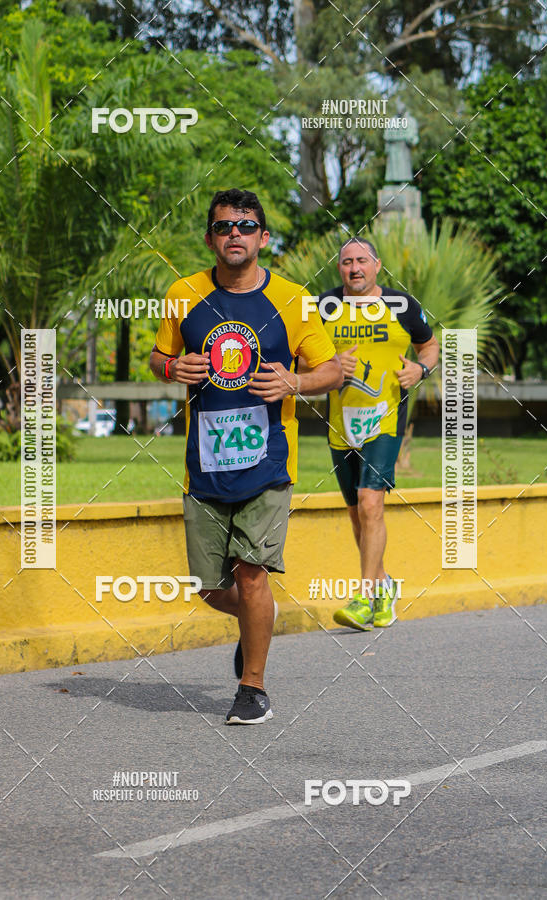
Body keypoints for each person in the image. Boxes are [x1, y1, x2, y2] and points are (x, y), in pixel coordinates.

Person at [150, 189, 342, 724]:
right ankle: (256, 624)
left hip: (268, 465)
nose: (234, 234)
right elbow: (158, 356)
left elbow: (330, 371)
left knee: (251, 575)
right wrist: (172, 369)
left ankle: (252, 688)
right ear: (210, 237)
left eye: (245, 225)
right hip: (204, 464)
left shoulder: (294, 299)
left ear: (262, 237)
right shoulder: (182, 294)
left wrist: (295, 380)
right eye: (222, 226)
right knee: (212, 588)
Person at [312, 236, 439, 630]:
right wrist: (330, 364)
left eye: (362, 260)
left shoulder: (402, 306)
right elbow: (303, 354)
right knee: (356, 514)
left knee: (371, 503)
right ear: (340, 269)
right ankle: (385, 587)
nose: (355, 268)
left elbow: (429, 345)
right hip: (341, 422)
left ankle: (365, 597)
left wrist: (421, 370)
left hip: (385, 418)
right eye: (347, 262)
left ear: (377, 265)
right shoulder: (324, 308)